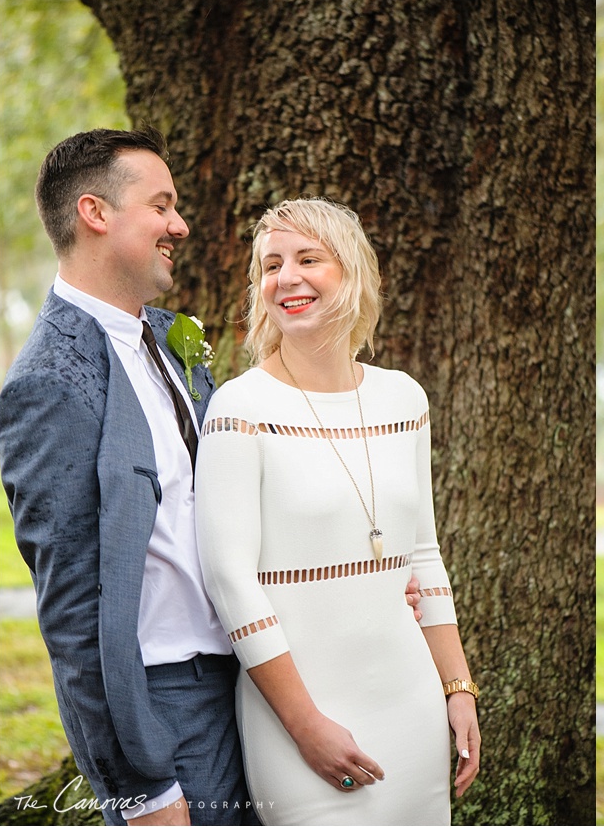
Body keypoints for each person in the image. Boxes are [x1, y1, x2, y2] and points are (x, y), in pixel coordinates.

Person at [194, 197, 480, 825]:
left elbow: (424, 553)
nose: (286, 278)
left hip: (411, 701)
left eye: (308, 259)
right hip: (298, 715)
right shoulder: (240, 408)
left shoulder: (403, 397)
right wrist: (305, 726)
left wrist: (457, 689)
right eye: (271, 265)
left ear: (351, 273)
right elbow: (230, 581)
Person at [0, 128, 250, 825]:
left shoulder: (172, 342)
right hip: (166, 714)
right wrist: (139, 792)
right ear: (95, 213)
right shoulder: (48, 384)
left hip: (248, 692)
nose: (181, 224)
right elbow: (74, 622)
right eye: (162, 205)